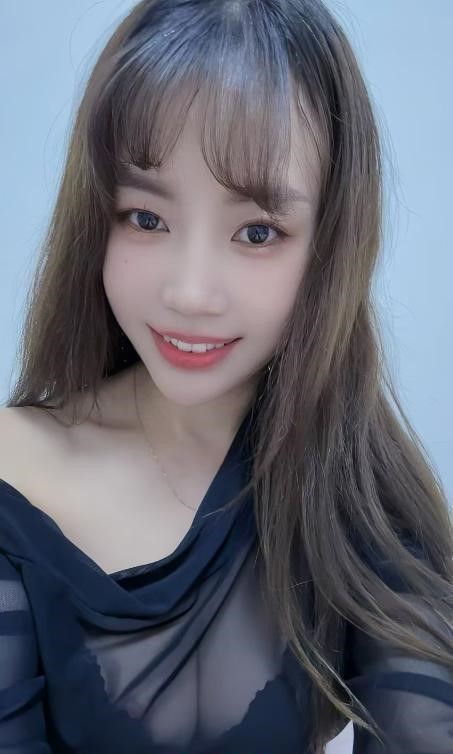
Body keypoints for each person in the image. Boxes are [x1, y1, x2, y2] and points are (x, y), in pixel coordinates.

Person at [1, 0, 452, 752]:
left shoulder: (358, 498)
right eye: (146, 218)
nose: (190, 292)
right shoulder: (14, 478)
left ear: (329, 247)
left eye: (257, 232)